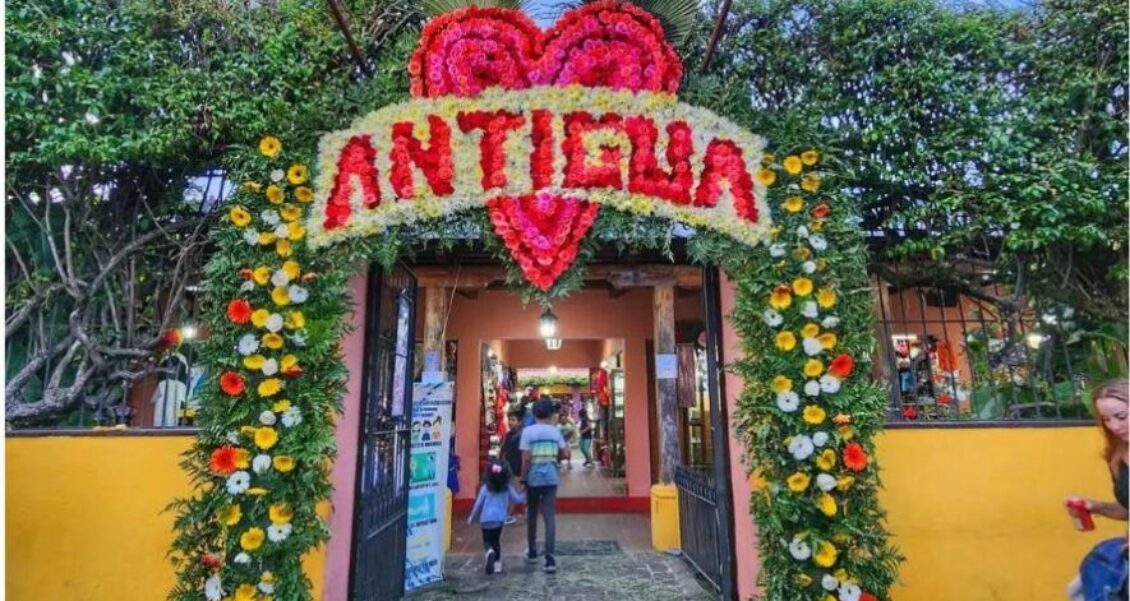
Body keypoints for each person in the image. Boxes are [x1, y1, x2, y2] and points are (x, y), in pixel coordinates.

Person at [1066, 379, 1129, 601]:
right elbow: (1127, 510)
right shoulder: (1119, 457)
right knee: (1078, 589)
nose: (1114, 426)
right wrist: (1095, 507)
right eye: (1106, 419)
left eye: (1121, 417)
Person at [519, 398, 568, 573]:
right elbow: (566, 452)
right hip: (551, 478)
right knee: (549, 517)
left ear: (534, 413)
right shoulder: (555, 432)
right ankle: (550, 559)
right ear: (550, 414)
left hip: (533, 478)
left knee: (532, 514)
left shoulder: (527, 432)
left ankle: (532, 552)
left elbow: (525, 459)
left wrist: (523, 479)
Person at [467, 459, 525, 575]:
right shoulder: (507, 488)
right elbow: (517, 499)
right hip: (499, 521)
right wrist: (526, 492)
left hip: (485, 520)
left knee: (487, 541)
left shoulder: (485, 488)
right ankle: (497, 565)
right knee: (496, 541)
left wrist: (472, 517)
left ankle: (489, 552)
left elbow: (478, 504)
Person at [500, 408, 525, 525]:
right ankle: (509, 514)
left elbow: (524, 455)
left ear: (519, 422)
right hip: (509, 468)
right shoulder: (510, 434)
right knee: (512, 493)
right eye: (509, 419)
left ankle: (509, 515)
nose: (510, 422)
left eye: (513, 420)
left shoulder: (521, 435)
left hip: (517, 469)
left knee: (513, 493)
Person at [557, 406, 578, 470]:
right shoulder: (557, 424)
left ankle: (569, 463)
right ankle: (559, 462)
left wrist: (571, 437)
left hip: (567, 440)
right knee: (559, 452)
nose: (563, 419)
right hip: (560, 440)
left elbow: (573, 430)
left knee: (568, 451)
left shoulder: (569, 422)